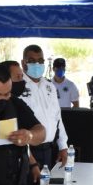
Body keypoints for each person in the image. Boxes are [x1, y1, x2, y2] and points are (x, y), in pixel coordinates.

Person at [19, 44, 69, 174]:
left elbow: (57, 118)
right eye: (32, 61)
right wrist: (31, 161)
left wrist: (63, 145)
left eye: (40, 61)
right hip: (29, 152)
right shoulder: (17, 87)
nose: (37, 64)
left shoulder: (49, 86)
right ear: (23, 63)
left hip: (50, 150)